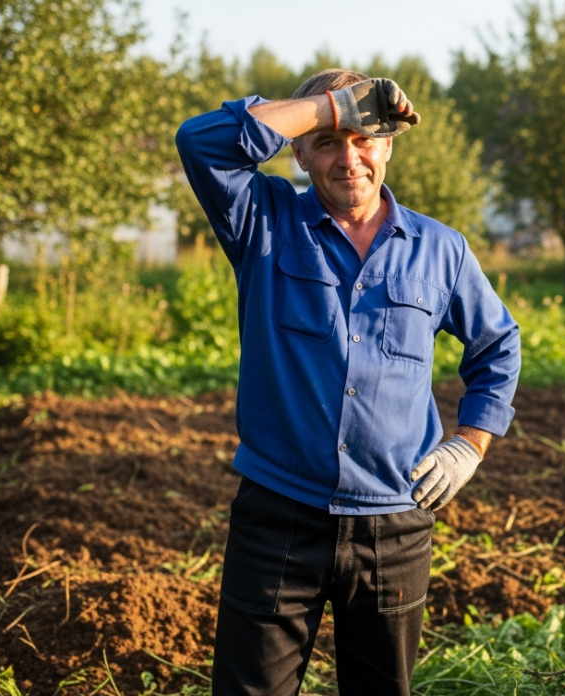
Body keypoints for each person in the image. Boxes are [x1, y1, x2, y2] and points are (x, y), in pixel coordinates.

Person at [175, 70, 521, 696]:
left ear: (388, 145)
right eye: (329, 140)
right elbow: (201, 142)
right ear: (299, 150)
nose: (350, 158)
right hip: (278, 517)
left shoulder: (440, 249)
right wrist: (328, 106)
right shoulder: (264, 222)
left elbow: (497, 346)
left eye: (364, 138)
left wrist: (470, 444)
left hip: (394, 521)